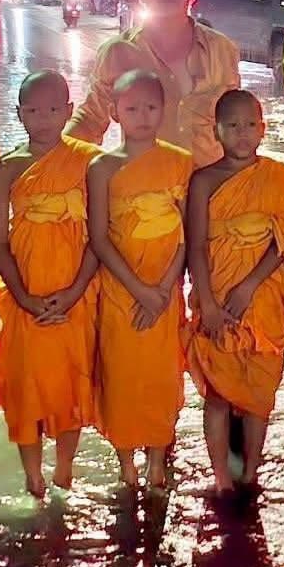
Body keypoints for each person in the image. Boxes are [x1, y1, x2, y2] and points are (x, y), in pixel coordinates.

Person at [185, 88, 284, 496]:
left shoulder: (275, 176)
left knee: (258, 394)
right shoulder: (203, 180)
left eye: (250, 125)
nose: (242, 133)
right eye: (232, 126)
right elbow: (197, 245)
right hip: (218, 293)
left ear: (263, 129)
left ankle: (250, 473)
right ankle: (221, 478)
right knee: (218, 394)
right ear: (215, 131)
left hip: (263, 295)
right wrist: (208, 303)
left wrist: (251, 284)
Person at [0, 70, 103, 498]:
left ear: (69, 112)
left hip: (75, 290)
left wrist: (74, 293)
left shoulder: (89, 161)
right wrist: (23, 297)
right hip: (27, 292)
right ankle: (33, 477)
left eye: (53, 110)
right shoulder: (7, 168)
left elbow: (99, 235)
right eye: (33, 111)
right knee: (26, 386)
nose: (43, 119)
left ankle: (65, 470)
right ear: (19, 115)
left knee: (72, 382)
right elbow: (0, 242)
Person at [87, 69, 195, 492]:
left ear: (163, 109)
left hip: (165, 289)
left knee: (162, 375)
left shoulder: (179, 162)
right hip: (120, 289)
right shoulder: (102, 167)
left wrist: (165, 288)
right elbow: (98, 237)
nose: (142, 116)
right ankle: (126, 463)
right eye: (132, 108)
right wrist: (138, 290)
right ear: (114, 113)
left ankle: (156, 460)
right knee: (121, 375)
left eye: (151, 107)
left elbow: (187, 233)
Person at [66, 0, 241, 168]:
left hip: (211, 194)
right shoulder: (118, 53)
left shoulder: (222, 50)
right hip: (145, 194)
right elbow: (90, 120)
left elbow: (237, 123)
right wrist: (47, 153)